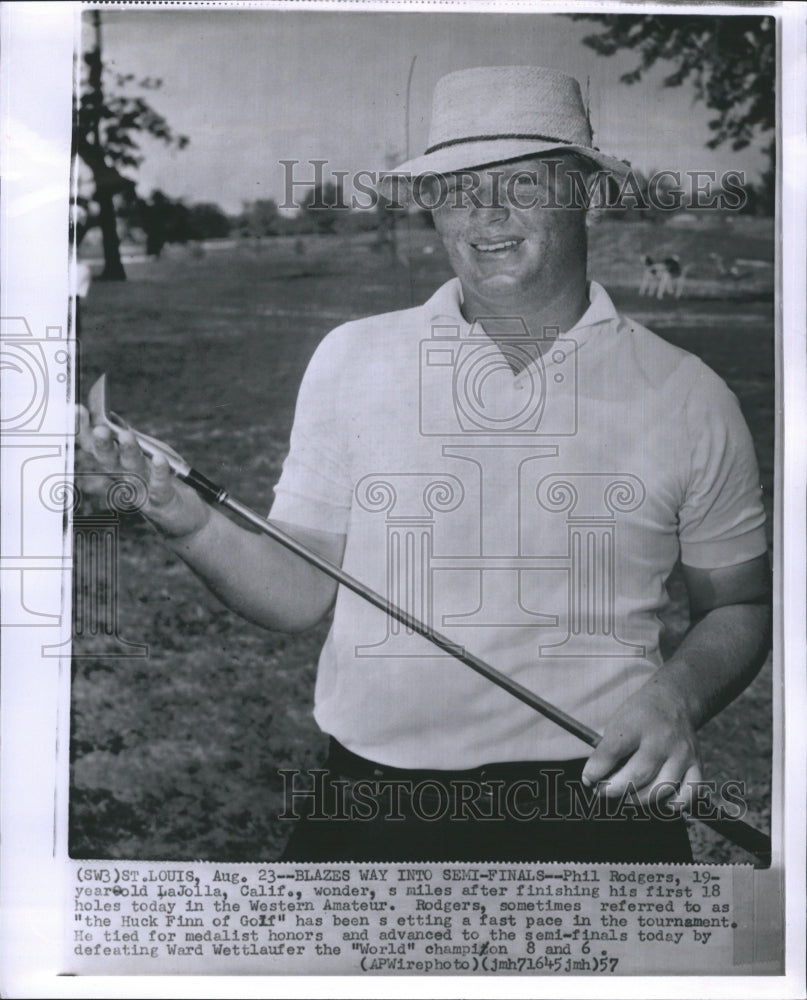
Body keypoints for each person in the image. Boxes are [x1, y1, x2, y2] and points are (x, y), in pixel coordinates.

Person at [76, 66, 771, 864]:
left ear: (584, 190)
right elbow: (300, 590)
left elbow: (739, 603)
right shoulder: (350, 357)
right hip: (368, 803)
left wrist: (675, 697)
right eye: (457, 187)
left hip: (597, 806)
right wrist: (185, 518)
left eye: (520, 181)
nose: (485, 213)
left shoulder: (689, 394)